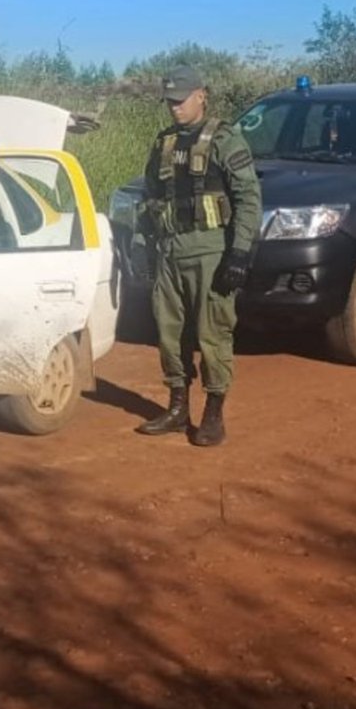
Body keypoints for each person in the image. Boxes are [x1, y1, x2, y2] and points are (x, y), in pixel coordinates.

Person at [135, 67, 262, 446]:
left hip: (211, 251)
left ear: (201, 95)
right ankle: (177, 407)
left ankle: (213, 413)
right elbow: (150, 199)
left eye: (181, 99)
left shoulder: (225, 140)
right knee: (168, 334)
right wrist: (144, 245)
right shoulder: (165, 143)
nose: (174, 107)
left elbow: (248, 199)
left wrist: (239, 252)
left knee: (212, 334)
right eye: (169, 101)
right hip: (171, 251)